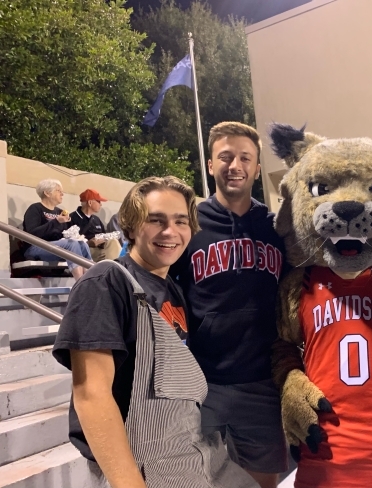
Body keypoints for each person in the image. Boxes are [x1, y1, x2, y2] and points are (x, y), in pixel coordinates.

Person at [52, 176, 257, 488]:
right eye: (156, 220)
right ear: (131, 227)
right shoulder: (107, 281)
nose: (170, 232)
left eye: (180, 221)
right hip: (145, 464)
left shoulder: (173, 287)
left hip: (196, 453)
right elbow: (91, 396)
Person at [171, 122, 287, 488]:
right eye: (225, 156)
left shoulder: (275, 227)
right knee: (195, 480)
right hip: (204, 381)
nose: (234, 164)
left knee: (261, 482)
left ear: (255, 167)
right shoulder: (189, 224)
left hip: (261, 380)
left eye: (244, 157)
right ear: (210, 164)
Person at [22, 178, 93, 280]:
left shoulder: (60, 212)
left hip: (57, 247)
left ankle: (90, 280)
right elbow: (32, 233)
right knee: (71, 244)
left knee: (82, 244)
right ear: (47, 193)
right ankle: (80, 283)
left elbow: (65, 234)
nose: (62, 194)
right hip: (35, 247)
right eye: (59, 191)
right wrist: (56, 222)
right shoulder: (35, 209)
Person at [70, 188, 121, 262]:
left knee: (113, 242)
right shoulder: (72, 218)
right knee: (114, 244)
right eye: (99, 201)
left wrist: (102, 241)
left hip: (100, 251)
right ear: (90, 202)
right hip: (84, 252)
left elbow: (104, 235)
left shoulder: (96, 219)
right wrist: (88, 243)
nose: (101, 204)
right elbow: (70, 242)